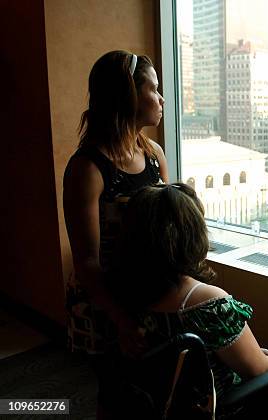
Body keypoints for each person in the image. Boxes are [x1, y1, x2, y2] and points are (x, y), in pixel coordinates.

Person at [109, 183, 268, 419]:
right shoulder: (205, 302)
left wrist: (248, 352)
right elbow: (260, 371)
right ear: (191, 235)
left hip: (168, 405)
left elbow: (181, 355)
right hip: (224, 407)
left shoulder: (123, 294)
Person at [62, 50, 169, 416]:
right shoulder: (87, 169)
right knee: (115, 394)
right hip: (105, 304)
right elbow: (87, 261)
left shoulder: (153, 155)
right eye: (153, 89)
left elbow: (170, 226)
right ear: (126, 96)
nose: (161, 98)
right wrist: (122, 321)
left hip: (146, 294)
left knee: (153, 393)